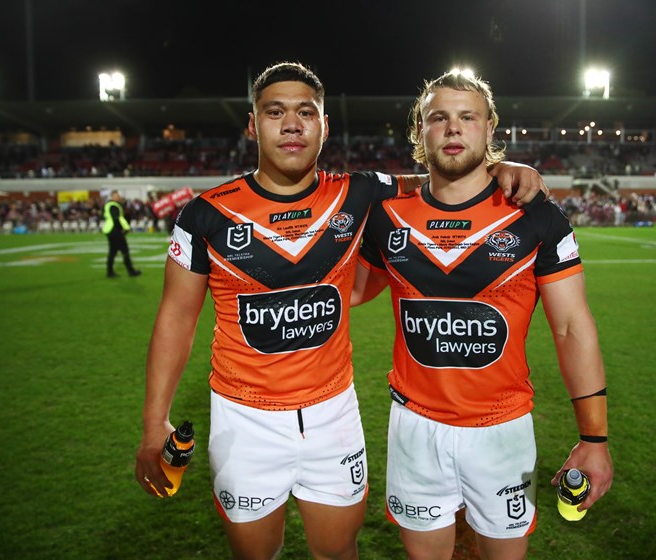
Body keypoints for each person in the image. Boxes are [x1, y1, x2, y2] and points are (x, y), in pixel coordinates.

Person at [133, 62, 547, 560]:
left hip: (333, 416)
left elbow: (445, 178)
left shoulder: (359, 192)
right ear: (252, 124)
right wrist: (154, 421)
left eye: (306, 112)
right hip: (243, 420)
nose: (292, 124)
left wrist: (504, 170)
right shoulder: (206, 214)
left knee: (338, 552)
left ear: (324, 126)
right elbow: (177, 318)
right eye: (275, 112)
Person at [352, 70, 613, 560]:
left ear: (489, 127)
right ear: (420, 131)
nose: (453, 129)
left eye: (467, 117)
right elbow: (346, 293)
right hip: (415, 427)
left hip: (502, 429)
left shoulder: (535, 215)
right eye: (439, 118)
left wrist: (593, 438)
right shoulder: (388, 217)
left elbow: (572, 327)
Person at [102, 190, 141, 278]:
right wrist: (122, 229)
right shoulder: (113, 205)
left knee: (113, 251)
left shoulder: (109, 205)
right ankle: (131, 271)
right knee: (125, 250)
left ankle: (110, 272)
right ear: (112, 197)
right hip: (115, 230)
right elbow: (116, 218)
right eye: (117, 196)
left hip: (111, 230)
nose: (118, 197)